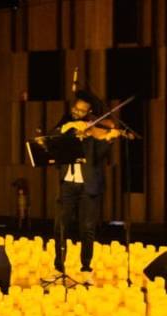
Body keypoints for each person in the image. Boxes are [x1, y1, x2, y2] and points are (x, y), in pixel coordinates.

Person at [49, 90, 121, 284]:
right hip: (67, 184)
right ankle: (58, 267)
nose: (77, 112)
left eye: (82, 111)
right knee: (60, 227)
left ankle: (86, 268)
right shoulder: (67, 128)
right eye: (76, 108)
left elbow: (99, 156)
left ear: (89, 113)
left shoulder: (93, 134)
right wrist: (70, 126)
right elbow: (52, 140)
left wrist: (109, 138)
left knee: (87, 228)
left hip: (89, 186)